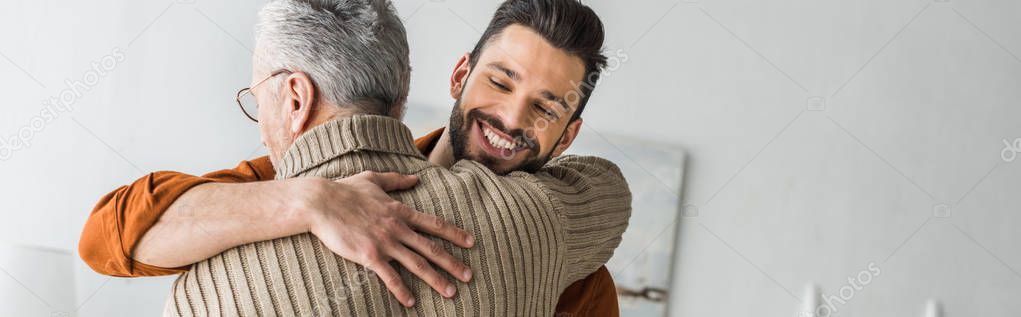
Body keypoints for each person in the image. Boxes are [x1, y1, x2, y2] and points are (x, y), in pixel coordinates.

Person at [79, 0, 627, 315]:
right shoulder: (285, 186)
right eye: (500, 82)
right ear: (461, 75)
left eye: (545, 108)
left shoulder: (573, 271)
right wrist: (309, 200)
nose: (510, 119)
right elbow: (107, 237)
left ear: (568, 134)